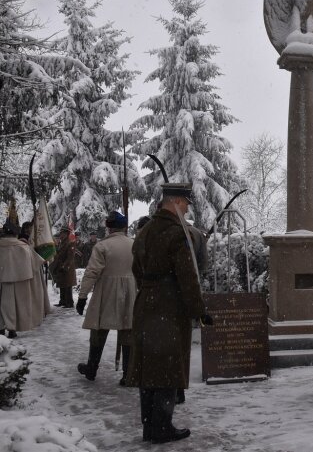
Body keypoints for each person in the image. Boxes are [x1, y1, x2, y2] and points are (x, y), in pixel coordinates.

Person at [126, 183, 212, 444]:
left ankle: (149, 425)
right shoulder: (177, 234)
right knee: (166, 367)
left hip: (146, 304)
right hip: (169, 306)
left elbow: (136, 269)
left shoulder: (146, 231)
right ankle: (162, 426)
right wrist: (199, 310)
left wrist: (151, 289)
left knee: (149, 367)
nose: (187, 208)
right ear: (174, 201)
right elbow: (188, 277)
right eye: (185, 203)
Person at [76, 212, 136, 385]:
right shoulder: (134, 244)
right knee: (128, 331)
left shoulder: (103, 246)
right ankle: (128, 374)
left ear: (109, 227)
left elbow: (92, 272)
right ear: (124, 227)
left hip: (107, 292)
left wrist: (82, 297)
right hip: (130, 291)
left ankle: (91, 369)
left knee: (99, 330)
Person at [0, 217, 47, 338]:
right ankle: (12, 329)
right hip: (19, 282)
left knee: (2, 305)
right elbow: (36, 264)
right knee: (16, 305)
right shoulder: (24, 248)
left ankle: (1, 327)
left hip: (2, 282)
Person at [50, 227, 77, 308]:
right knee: (62, 284)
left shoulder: (70, 243)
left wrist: (64, 266)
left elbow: (70, 257)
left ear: (66, 234)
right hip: (61, 267)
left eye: (63, 233)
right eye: (61, 233)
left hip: (67, 268)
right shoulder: (62, 243)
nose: (61, 235)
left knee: (67, 285)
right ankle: (62, 301)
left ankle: (69, 303)